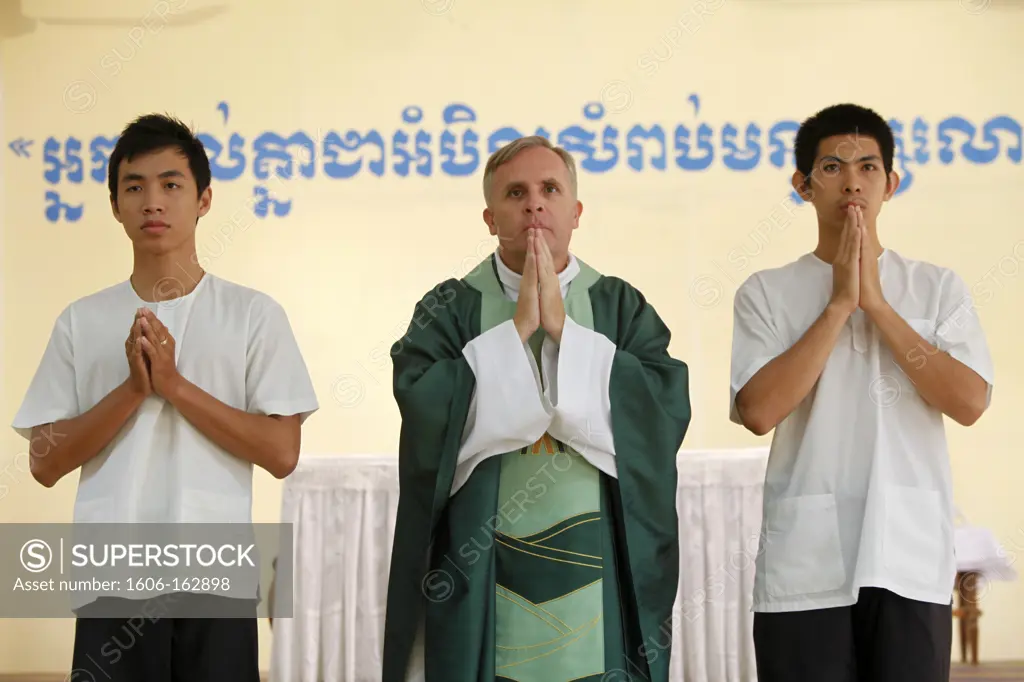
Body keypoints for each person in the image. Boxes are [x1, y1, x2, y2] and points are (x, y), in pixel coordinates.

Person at [12, 113, 319, 681]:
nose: (153, 201)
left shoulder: (252, 315)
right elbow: (45, 461)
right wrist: (133, 390)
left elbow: (282, 452)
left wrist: (174, 386)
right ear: (115, 205)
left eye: (171, 185)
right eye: (135, 187)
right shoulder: (81, 321)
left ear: (203, 199)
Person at [380, 135, 691, 682]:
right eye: (515, 192)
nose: (534, 203)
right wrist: (516, 331)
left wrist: (566, 335)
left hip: (597, 541)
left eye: (550, 189)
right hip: (481, 549)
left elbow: (662, 406)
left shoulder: (619, 304)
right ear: (490, 215)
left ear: (576, 211)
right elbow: (422, 401)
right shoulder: (450, 306)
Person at [729, 103, 994, 682]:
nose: (852, 180)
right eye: (831, 166)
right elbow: (758, 410)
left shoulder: (936, 287)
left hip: (909, 555)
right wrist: (840, 305)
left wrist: (876, 303)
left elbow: (970, 402)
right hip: (806, 565)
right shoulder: (766, 292)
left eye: (868, 167)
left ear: (890, 183)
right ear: (802, 185)